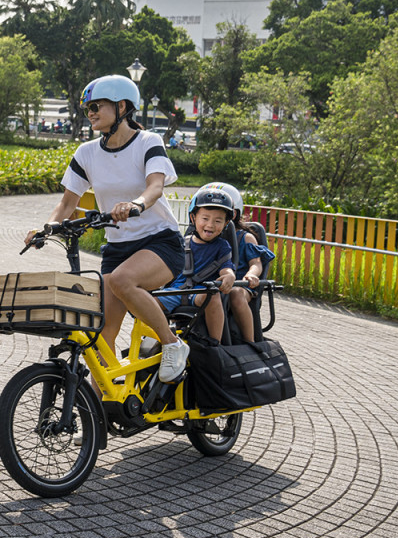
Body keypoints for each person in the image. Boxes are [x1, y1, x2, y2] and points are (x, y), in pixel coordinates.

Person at [25, 74, 189, 382]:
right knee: (101, 335)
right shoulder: (86, 153)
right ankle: (100, 414)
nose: (91, 113)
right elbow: (66, 205)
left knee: (121, 281)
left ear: (122, 107)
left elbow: (156, 186)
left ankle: (172, 344)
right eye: (88, 108)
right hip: (118, 247)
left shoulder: (148, 142)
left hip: (160, 243)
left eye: (97, 106)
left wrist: (136, 204)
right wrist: (45, 228)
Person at [157, 188, 236, 341]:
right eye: (205, 219)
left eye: (218, 221)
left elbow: (226, 268)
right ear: (193, 218)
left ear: (226, 223)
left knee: (212, 296)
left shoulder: (222, 246)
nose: (211, 225)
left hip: (200, 292)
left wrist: (229, 276)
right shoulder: (181, 243)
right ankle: (156, 340)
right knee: (145, 302)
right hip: (174, 292)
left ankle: (214, 344)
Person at [217, 183, 275, 342]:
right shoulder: (205, 239)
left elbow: (256, 263)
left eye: (218, 215)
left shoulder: (246, 237)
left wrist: (250, 276)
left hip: (240, 285)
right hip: (215, 283)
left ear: (233, 214)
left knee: (235, 294)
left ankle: (250, 342)